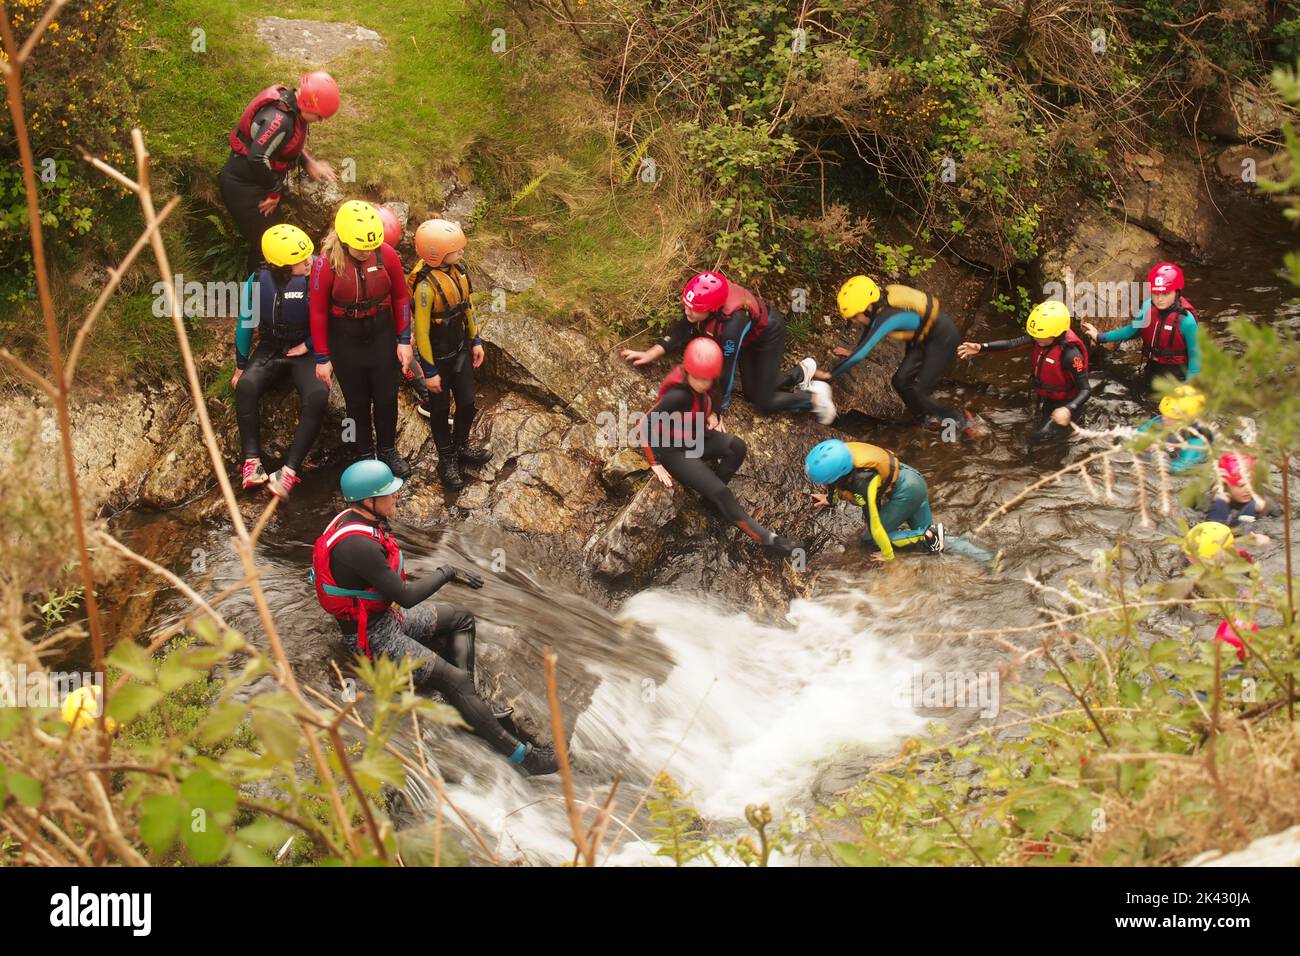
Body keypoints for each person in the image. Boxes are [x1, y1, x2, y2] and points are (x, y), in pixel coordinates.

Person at [311, 459, 557, 775]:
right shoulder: (357, 544)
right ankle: (527, 760)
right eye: (389, 493)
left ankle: (468, 708)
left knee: (461, 618)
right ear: (368, 502)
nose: (396, 497)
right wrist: (447, 571)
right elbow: (406, 596)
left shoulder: (357, 520)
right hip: (371, 639)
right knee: (453, 679)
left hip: (387, 619)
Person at [642, 338, 803, 557]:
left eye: (706, 379)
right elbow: (645, 423)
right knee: (722, 492)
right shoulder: (677, 394)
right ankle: (769, 541)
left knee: (737, 447)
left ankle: (712, 501)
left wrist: (712, 414)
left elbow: (710, 397)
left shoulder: (709, 381)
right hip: (673, 450)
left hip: (694, 437)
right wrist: (655, 463)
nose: (702, 383)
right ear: (688, 371)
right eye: (697, 378)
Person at [621, 271, 835, 424]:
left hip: (767, 335)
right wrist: (651, 353)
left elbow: (725, 370)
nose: (688, 312)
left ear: (712, 309)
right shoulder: (700, 303)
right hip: (748, 337)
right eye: (686, 306)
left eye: (694, 310)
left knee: (762, 400)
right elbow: (681, 328)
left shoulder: (732, 322)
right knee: (751, 393)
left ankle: (815, 398)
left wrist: (716, 410)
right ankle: (801, 372)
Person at [310, 200, 413, 477]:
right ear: (344, 239)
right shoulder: (326, 264)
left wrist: (404, 339)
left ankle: (388, 451)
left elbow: (401, 296)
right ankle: (365, 454)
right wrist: (322, 357)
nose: (367, 251)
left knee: (386, 397)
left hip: (381, 334)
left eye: (371, 245)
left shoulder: (387, 255)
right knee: (356, 402)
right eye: (361, 246)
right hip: (346, 341)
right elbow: (318, 313)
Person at [818, 275, 982, 439]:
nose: (853, 321)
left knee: (919, 390)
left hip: (942, 339)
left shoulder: (888, 316)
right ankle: (924, 419)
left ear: (868, 307)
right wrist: (853, 352)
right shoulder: (877, 309)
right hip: (923, 340)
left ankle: (961, 419)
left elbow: (863, 351)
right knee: (900, 381)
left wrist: (829, 374)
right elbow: (868, 331)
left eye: (854, 316)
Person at [233, 224, 329, 500]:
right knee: (246, 387)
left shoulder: (317, 276)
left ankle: (288, 471)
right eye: (300, 260)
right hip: (272, 346)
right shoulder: (258, 280)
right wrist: (241, 366)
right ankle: (252, 462)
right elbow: (245, 324)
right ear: (282, 268)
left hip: (306, 348)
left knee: (318, 394)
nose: (308, 262)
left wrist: (309, 346)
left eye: (308, 255)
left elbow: (332, 321)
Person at [219, 72, 340, 274]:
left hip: (254, 182)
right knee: (266, 245)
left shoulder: (293, 106)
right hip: (243, 187)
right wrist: (274, 192)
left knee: (271, 236)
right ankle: (259, 295)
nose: (320, 121)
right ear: (308, 105)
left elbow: (281, 143)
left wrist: (309, 162)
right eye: (319, 116)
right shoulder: (279, 120)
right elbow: (257, 158)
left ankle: (272, 288)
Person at [409, 219, 491, 490]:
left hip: (460, 352)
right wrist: (429, 372)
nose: (462, 254)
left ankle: (461, 445)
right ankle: (446, 459)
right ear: (437, 255)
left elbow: (467, 308)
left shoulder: (458, 273)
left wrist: (475, 340)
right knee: (441, 409)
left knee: (467, 403)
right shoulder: (424, 287)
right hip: (438, 359)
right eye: (456, 250)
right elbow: (421, 333)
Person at [959, 300, 1091, 444]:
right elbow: (1010, 344)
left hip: (1068, 403)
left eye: (1039, 336)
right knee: (1036, 422)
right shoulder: (1041, 337)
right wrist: (981, 347)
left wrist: (1068, 409)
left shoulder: (1070, 355)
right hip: (1048, 397)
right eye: (1034, 335)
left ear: (1057, 333)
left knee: (1035, 439)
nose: (1035, 339)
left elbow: (1085, 389)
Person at [804, 439, 945, 560]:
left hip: (907, 492)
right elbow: (833, 483)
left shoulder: (863, 483)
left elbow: (875, 525)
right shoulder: (843, 457)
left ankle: (927, 535)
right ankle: (947, 541)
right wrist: (830, 499)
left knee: (871, 539)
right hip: (912, 480)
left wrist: (888, 556)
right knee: (935, 548)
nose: (823, 484)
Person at [1082, 262, 1202, 388]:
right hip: (1152, 367)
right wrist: (1100, 337)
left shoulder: (1186, 320)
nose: (1160, 299)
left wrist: (1189, 386)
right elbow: (1132, 331)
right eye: (1156, 294)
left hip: (1177, 373)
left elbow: (1195, 356)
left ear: (1177, 293)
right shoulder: (1147, 308)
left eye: (1165, 294)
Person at [1138, 384, 1210, 474]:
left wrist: (1158, 458)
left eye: (1172, 418)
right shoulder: (1160, 420)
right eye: (1164, 414)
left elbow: (1180, 467)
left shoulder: (1196, 439)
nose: (1164, 418)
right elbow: (1136, 437)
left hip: (1192, 460)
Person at [1206, 453, 1269, 529]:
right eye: (1241, 485)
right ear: (1225, 485)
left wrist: (1263, 510)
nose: (1248, 489)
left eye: (1251, 484)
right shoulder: (1213, 496)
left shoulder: (1260, 500)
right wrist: (1219, 502)